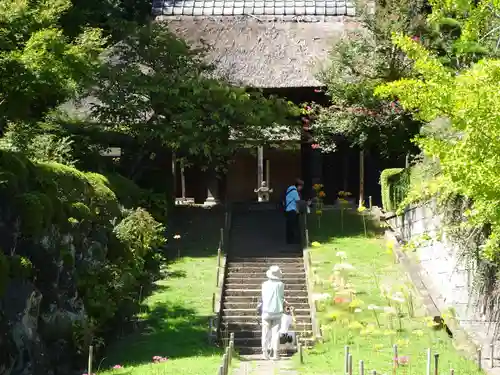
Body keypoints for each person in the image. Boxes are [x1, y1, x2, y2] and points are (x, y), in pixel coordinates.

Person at [261, 265, 285, 360]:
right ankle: (275, 354)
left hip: (266, 311)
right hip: (277, 311)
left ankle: (265, 353)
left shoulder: (264, 284)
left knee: (265, 333)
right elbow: (281, 296)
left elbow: (263, 297)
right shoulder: (281, 285)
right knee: (276, 333)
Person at [284, 179, 304, 244]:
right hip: (292, 210)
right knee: (293, 226)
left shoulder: (289, 189)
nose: (301, 188)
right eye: (301, 187)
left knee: (289, 226)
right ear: (298, 186)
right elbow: (298, 201)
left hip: (287, 210)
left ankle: (289, 240)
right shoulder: (295, 192)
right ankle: (292, 240)